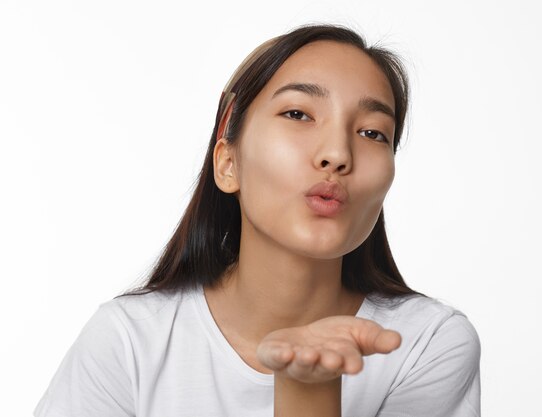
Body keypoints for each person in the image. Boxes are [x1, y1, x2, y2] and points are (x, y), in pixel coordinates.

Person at [34, 24, 481, 417]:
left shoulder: (425, 343)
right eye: (298, 114)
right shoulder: (128, 341)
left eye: (371, 133)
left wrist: (309, 389)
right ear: (228, 162)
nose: (338, 155)